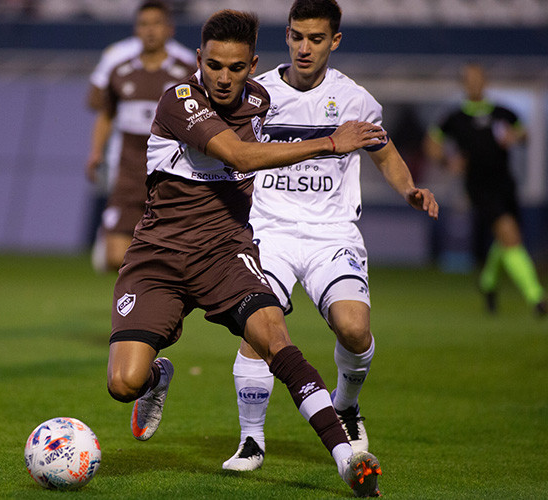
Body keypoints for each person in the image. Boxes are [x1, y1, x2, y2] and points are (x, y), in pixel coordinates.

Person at [106, 9, 385, 497]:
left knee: (276, 338)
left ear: (252, 64)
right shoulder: (180, 100)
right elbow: (238, 156)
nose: (223, 77)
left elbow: (320, 117)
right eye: (214, 65)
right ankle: (155, 376)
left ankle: (347, 458)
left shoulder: (260, 100)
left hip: (224, 254)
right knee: (122, 383)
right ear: (199, 59)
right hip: (159, 257)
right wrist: (329, 143)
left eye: (236, 68)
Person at [219, 0, 440, 473]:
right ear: (287, 35)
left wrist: (408, 189)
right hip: (267, 230)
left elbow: (382, 149)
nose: (304, 47)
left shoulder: (354, 99)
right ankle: (251, 440)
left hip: (330, 233)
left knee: (355, 329)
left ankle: (345, 404)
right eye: (297, 36)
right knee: (259, 330)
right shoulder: (256, 94)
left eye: (315, 38)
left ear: (334, 41)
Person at [424, 63, 546, 317]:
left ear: (485, 81)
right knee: (510, 235)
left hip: (505, 184)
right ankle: (537, 298)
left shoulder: (503, 112)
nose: (475, 83)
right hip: (478, 187)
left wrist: (516, 137)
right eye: (469, 79)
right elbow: (432, 145)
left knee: (505, 239)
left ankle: (487, 282)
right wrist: (447, 161)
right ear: (464, 84)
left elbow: (524, 134)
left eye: (478, 78)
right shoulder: (455, 118)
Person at [86, 1, 196, 272]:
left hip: (170, 173)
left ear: (169, 29)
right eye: (144, 24)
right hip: (127, 173)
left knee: (173, 255)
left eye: (156, 24)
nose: (150, 31)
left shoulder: (186, 71)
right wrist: (96, 152)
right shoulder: (120, 71)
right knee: (114, 257)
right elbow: (105, 114)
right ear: (136, 29)